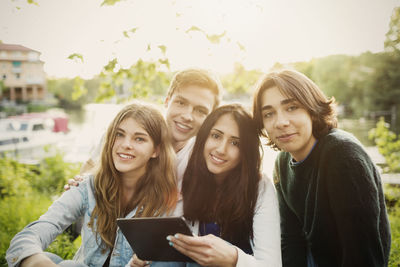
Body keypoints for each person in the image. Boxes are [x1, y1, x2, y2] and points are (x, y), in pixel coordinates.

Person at [6, 103, 179, 267]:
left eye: (139, 139)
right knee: (52, 260)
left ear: (156, 150)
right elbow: (35, 232)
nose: (126, 145)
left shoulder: (166, 203)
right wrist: (36, 262)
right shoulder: (89, 186)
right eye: (119, 134)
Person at [252, 69, 391, 267]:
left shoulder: (342, 155)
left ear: (312, 108)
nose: (281, 122)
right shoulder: (282, 162)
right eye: (268, 114)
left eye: (291, 107)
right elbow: (291, 240)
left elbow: (363, 254)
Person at [131, 104, 282, 266]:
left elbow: (271, 264)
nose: (221, 149)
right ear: (204, 137)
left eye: (235, 143)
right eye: (216, 136)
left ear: (246, 151)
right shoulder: (189, 173)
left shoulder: (259, 186)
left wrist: (233, 258)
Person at [77, 68, 222, 181]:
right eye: (181, 103)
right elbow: (89, 169)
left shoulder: (207, 157)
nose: (187, 116)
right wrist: (78, 184)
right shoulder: (124, 134)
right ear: (167, 100)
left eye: (200, 111)